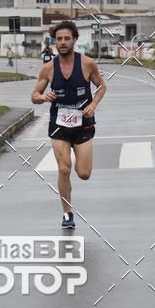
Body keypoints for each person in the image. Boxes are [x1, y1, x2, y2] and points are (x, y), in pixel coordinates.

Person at [31, 20, 106, 228]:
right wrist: (44, 97)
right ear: (55, 42)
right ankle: (67, 213)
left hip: (83, 124)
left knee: (83, 174)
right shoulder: (48, 68)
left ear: (74, 40)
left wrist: (93, 104)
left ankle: (80, 164)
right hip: (59, 125)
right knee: (64, 169)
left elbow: (101, 87)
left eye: (66, 39)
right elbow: (34, 95)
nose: (62, 43)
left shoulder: (87, 64)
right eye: (59, 39)